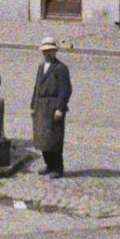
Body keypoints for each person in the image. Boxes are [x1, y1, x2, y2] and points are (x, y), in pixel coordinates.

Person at [30, 36, 74, 177]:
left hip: (53, 106)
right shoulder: (41, 67)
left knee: (54, 138)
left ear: (55, 51)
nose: (47, 54)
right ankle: (48, 165)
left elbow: (65, 89)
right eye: (45, 51)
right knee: (43, 138)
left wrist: (60, 108)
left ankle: (57, 168)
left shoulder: (61, 68)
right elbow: (37, 87)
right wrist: (33, 105)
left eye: (50, 51)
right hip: (41, 106)